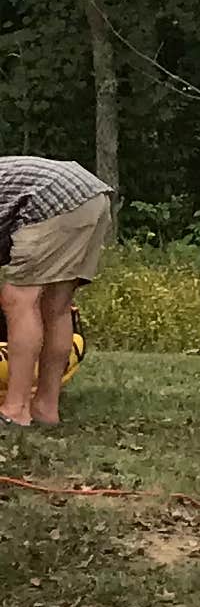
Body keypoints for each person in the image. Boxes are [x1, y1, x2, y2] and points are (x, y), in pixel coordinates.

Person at [0, 156, 115, 435]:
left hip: (52, 200)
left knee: (18, 299)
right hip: (91, 195)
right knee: (56, 306)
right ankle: (45, 408)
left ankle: (15, 410)